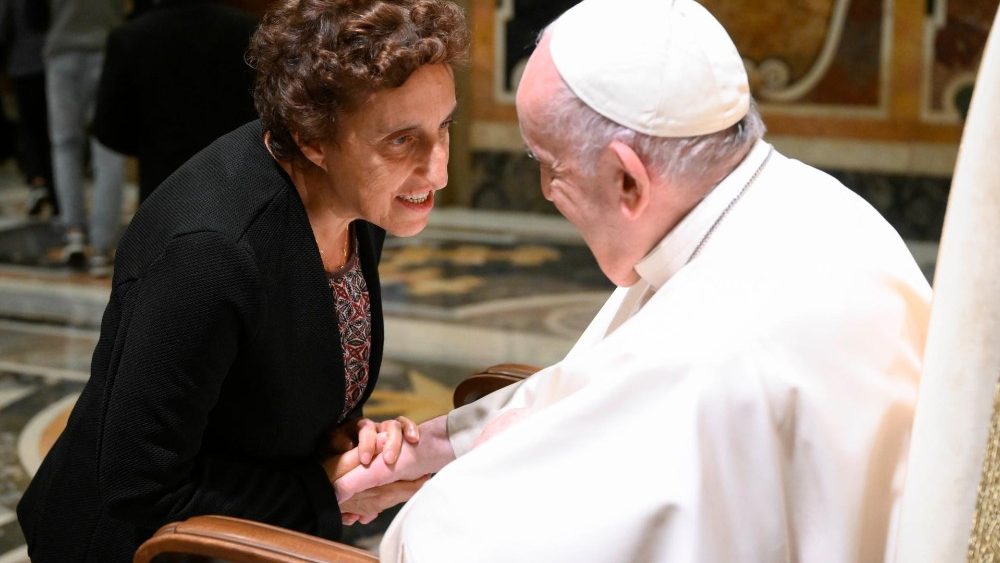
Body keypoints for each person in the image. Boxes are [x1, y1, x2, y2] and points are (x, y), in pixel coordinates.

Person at [333, 0, 933, 561]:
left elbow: (462, 545)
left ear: (628, 180)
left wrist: (459, 478)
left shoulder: (719, 355)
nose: (545, 193)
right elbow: (606, 378)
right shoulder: (802, 202)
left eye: (549, 166)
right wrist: (444, 442)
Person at [16, 0, 468, 560]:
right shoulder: (208, 254)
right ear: (312, 139)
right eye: (401, 140)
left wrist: (343, 441)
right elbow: (138, 488)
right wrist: (325, 484)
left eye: (443, 126)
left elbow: (268, 384)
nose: (438, 169)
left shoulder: (356, 200)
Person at [93, 0, 259, 204]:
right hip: (236, 178)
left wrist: (152, 147)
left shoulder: (129, 37)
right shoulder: (248, 30)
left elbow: (108, 126)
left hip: (162, 183)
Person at [41, 0, 126, 275]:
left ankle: (74, 234)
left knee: (64, 145)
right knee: (108, 147)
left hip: (61, 50)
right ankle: (102, 246)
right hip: (107, 46)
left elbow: (32, 14)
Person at [0, 0, 56, 216]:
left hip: (22, 66)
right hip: (50, 62)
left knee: (30, 129)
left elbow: (4, 30)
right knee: (53, 131)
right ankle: (55, 190)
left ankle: (37, 180)